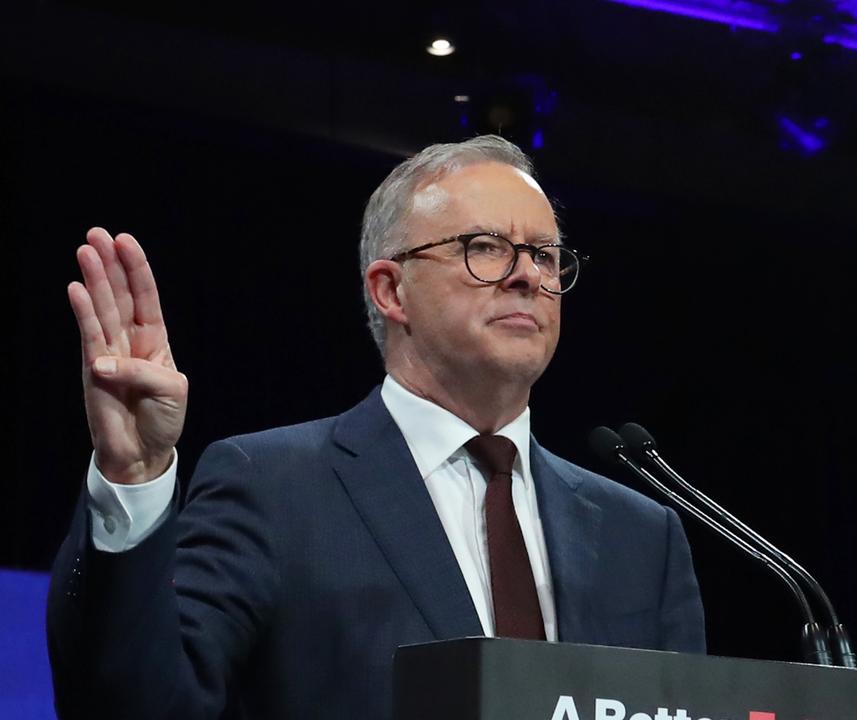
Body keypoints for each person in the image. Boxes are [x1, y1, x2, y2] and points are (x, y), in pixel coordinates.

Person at [46, 135, 705, 719]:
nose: (527, 276)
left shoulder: (641, 536)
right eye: (485, 249)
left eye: (544, 254)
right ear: (391, 291)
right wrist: (131, 476)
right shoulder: (274, 488)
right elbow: (138, 705)